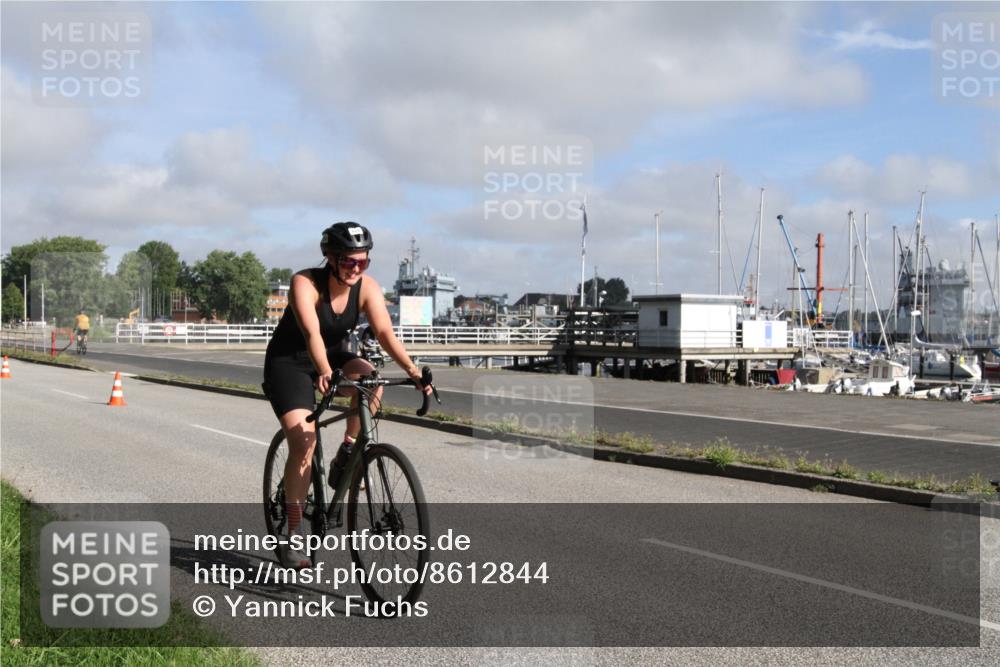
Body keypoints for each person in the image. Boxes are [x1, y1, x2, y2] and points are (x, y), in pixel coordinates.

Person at [262, 222, 429, 568]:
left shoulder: (367, 288)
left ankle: (348, 452)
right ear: (330, 258)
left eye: (362, 262)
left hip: (335, 356)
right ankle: (291, 537)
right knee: (304, 443)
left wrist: (414, 372)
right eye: (349, 262)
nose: (356, 269)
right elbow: (311, 334)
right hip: (290, 362)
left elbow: (384, 332)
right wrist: (323, 371)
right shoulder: (304, 283)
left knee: (372, 380)